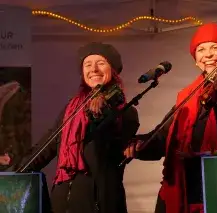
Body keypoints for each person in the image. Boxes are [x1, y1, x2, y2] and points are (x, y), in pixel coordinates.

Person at [124, 22, 217, 213]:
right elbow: (164, 137)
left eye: (215, 48)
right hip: (182, 186)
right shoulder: (189, 95)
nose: (208, 55)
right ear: (196, 60)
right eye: (201, 50)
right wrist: (139, 145)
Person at [16, 42, 140, 213]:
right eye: (88, 65)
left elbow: (110, 147)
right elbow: (49, 145)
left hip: (99, 202)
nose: (94, 69)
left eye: (101, 63)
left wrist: (103, 110)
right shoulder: (71, 109)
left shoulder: (126, 112)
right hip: (63, 200)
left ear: (113, 70)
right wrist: (19, 170)